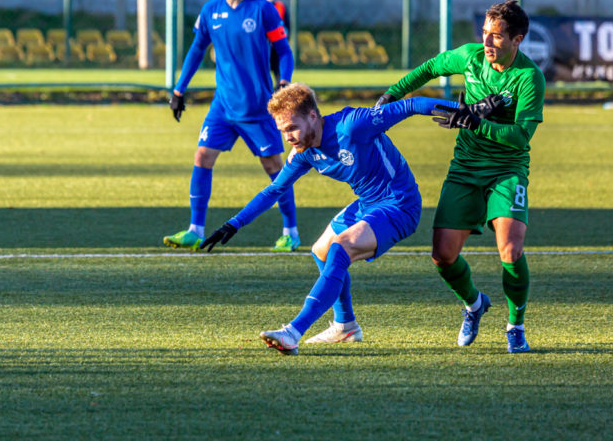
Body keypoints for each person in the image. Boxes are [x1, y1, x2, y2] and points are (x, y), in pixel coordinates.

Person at [201, 83, 502, 355]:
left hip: (400, 203)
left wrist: (463, 112)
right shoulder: (304, 151)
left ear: (313, 117)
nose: (287, 137)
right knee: (320, 250)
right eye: (282, 130)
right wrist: (233, 224)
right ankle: (345, 326)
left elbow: (412, 105)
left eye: (291, 127)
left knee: (340, 248)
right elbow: (274, 189)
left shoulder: (353, 126)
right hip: (368, 204)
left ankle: (293, 331)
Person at [377, 0, 545, 353]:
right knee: (442, 255)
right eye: (484, 33)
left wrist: (475, 121)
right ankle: (474, 304)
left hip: (507, 170)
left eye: (496, 36)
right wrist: (393, 94)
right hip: (465, 168)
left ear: (518, 40)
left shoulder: (529, 77)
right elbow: (430, 67)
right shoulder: (470, 57)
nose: (487, 42)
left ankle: (516, 324)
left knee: (511, 251)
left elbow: (520, 136)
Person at [165, 0, 300, 253]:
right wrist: (178, 89)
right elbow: (196, 50)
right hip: (223, 106)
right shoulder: (210, 10)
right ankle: (195, 229)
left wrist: (284, 81)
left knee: (274, 168)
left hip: (257, 107)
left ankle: (290, 231)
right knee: (202, 157)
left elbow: (284, 51)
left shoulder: (262, 9)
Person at [262, 0, 290, 85]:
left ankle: (280, 93)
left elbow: (287, 26)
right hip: (264, 47)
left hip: (276, 47)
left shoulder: (280, 6)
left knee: (279, 74)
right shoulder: (260, 8)